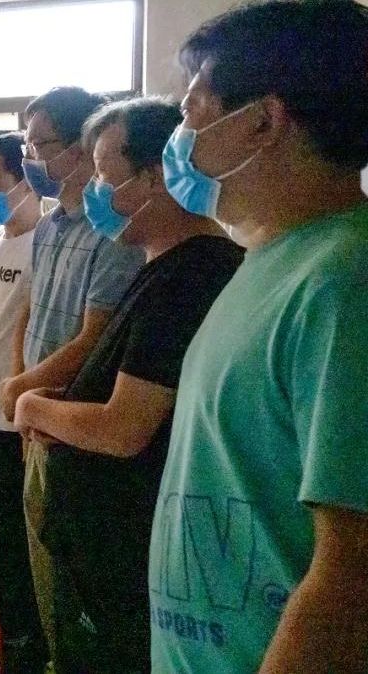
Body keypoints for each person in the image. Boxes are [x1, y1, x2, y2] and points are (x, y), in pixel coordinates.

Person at [147, 3, 368, 672]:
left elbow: (350, 576)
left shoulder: (344, 279)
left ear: (263, 121)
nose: (181, 138)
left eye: (192, 111)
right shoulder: (269, 259)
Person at [13, 97, 242, 673]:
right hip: (101, 547)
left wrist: (35, 406)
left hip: (127, 552)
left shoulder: (191, 274)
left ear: (155, 177)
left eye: (103, 175)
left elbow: (124, 427)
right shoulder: (159, 267)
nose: (95, 191)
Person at [0, 86, 145, 656]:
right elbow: (30, 311)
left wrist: (26, 392)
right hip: (36, 413)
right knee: (38, 549)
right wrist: (19, 383)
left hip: (74, 422)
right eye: (27, 145)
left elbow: (94, 337)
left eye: (40, 145)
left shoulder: (114, 233)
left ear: (80, 149)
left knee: (72, 569)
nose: (30, 158)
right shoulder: (50, 225)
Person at [0, 131, 48, 672]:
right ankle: (13, 621)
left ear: (26, 183)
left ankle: (32, 636)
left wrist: (20, 393)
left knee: (28, 532)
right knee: (2, 526)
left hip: (20, 416)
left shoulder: (46, 244)